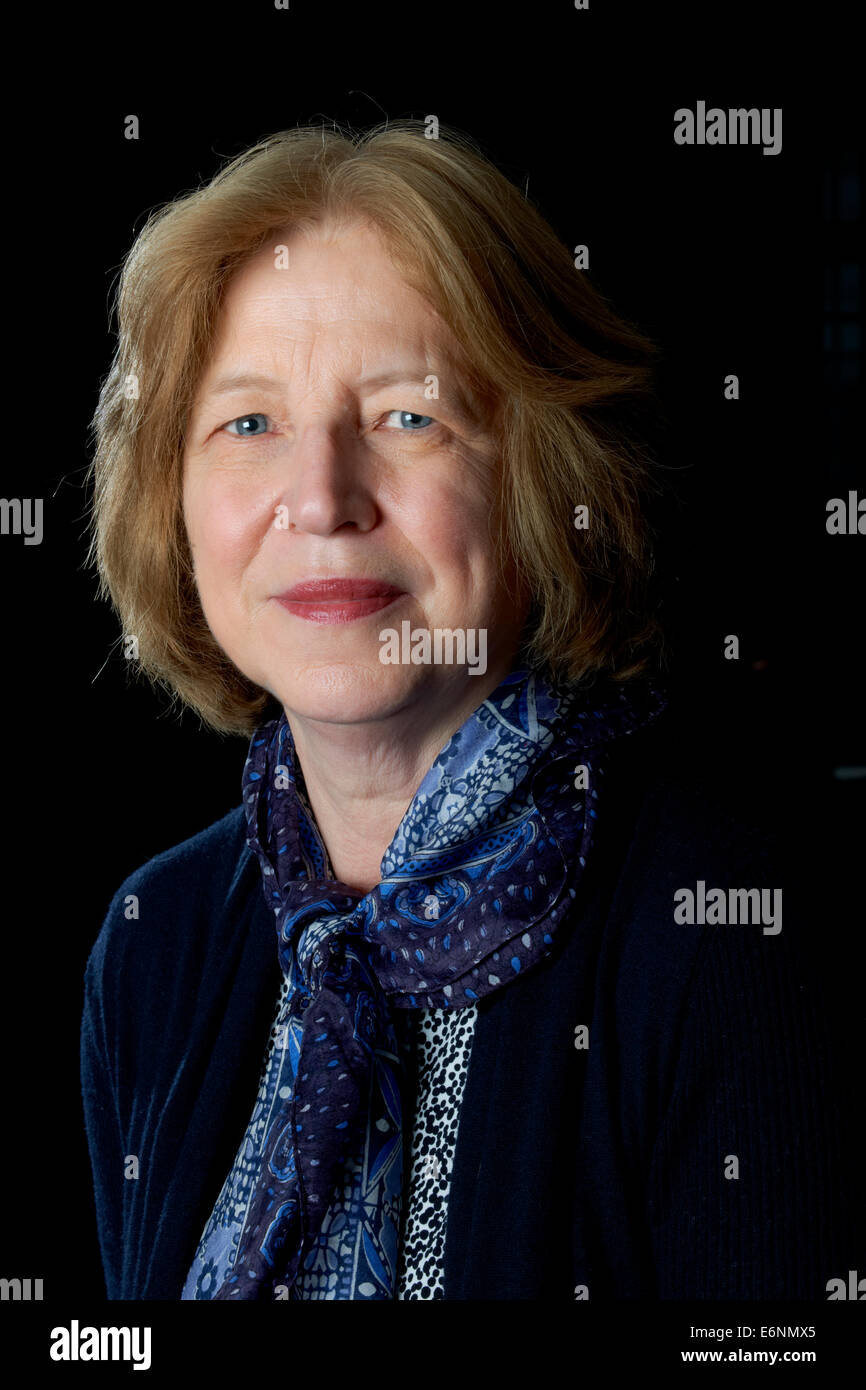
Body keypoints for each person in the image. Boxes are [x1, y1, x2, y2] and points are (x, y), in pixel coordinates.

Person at [80, 119, 855, 1301]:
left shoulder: (727, 938)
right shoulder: (157, 940)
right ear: (169, 500)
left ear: (538, 471)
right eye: (248, 424)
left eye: (408, 416)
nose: (322, 497)